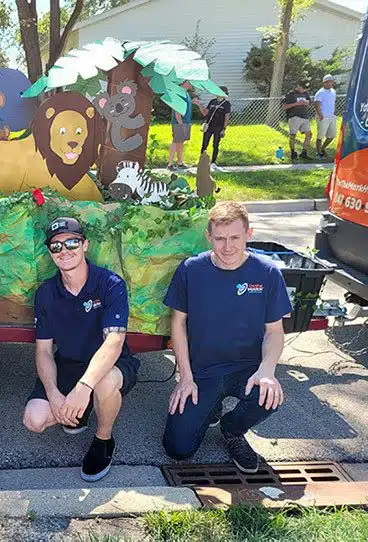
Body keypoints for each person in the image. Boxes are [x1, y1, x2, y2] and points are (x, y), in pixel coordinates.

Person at [162, 201, 292, 473]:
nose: (227, 246)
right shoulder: (191, 270)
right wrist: (185, 377)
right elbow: (178, 325)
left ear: (249, 233)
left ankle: (232, 429)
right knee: (177, 450)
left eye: (235, 237)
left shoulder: (267, 273)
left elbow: (274, 332)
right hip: (203, 372)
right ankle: (209, 407)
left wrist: (267, 371)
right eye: (219, 238)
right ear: (208, 237)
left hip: (247, 368)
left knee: (269, 395)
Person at [22, 217, 140, 482]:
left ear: (85, 245)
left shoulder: (110, 284)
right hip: (69, 363)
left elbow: (114, 343)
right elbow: (43, 351)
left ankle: (103, 440)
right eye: (56, 246)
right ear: (51, 254)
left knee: (104, 382)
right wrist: (53, 393)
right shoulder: (45, 294)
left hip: (113, 363)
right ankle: (82, 410)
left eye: (72, 242)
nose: (64, 250)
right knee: (35, 419)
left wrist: (83, 387)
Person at [168, 81, 200, 171]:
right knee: (175, 142)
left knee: (180, 143)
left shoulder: (185, 93)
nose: (192, 83)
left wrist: (193, 102)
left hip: (185, 122)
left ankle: (180, 163)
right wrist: (181, 123)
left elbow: (184, 105)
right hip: (179, 122)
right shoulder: (179, 93)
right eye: (190, 81)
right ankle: (170, 164)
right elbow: (177, 110)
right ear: (184, 82)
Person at [198, 86, 231, 169]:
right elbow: (205, 113)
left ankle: (213, 162)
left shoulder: (227, 104)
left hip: (218, 127)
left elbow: (227, 117)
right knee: (204, 143)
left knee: (215, 144)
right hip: (209, 126)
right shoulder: (212, 101)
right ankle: (201, 161)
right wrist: (199, 105)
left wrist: (224, 129)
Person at [282, 81, 313, 160]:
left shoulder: (306, 93)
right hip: (294, 116)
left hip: (304, 116)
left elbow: (309, 103)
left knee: (309, 134)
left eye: (306, 89)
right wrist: (296, 104)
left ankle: (304, 152)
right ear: (298, 86)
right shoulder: (291, 94)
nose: (304, 90)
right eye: (303, 88)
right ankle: (293, 153)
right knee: (293, 135)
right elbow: (285, 106)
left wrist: (307, 103)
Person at [315, 74, 338, 159]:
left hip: (331, 117)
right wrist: (320, 114)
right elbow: (317, 104)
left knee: (332, 135)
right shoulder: (320, 92)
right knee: (320, 136)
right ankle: (318, 153)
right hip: (323, 117)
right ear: (324, 83)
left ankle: (322, 148)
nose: (329, 83)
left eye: (330, 81)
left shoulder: (333, 91)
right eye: (327, 82)